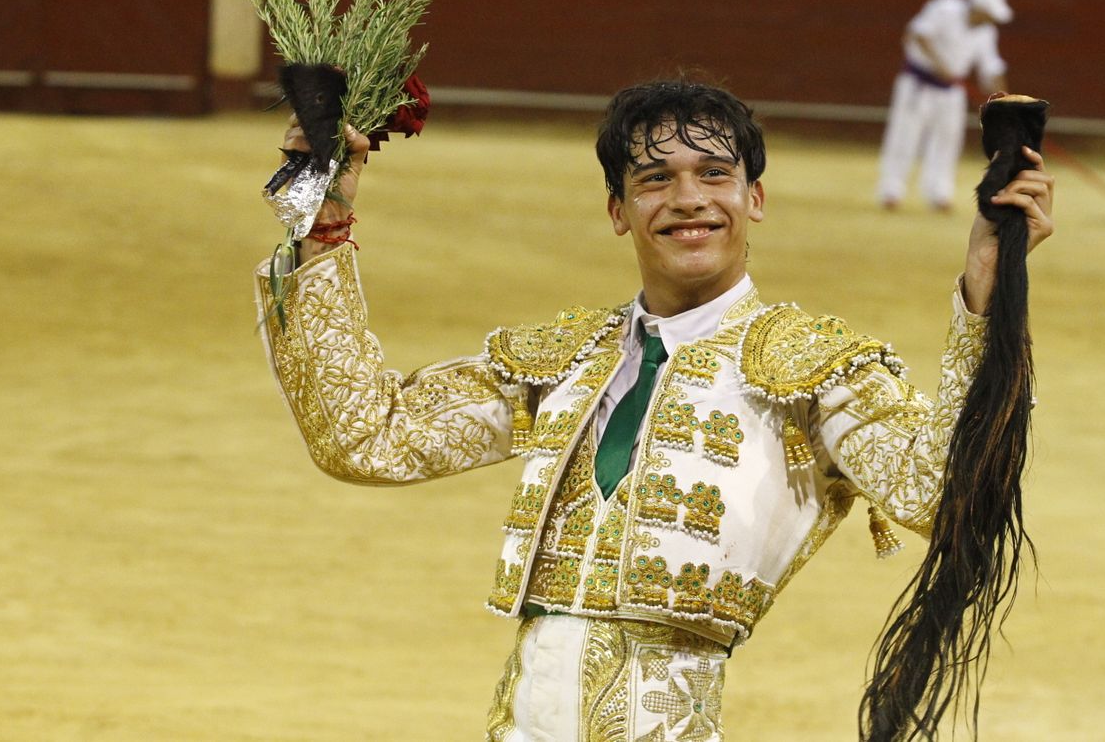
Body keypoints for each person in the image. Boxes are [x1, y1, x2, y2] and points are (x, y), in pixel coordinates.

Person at [256, 79, 1054, 737]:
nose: (688, 199)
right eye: (655, 179)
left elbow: (944, 494)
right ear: (618, 212)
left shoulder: (813, 369)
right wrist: (324, 228)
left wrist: (987, 295)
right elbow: (368, 438)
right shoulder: (562, 360)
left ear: (756, 197)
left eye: (714, 174)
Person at [877, 0, 1012, 211]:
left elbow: (991, 67)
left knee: (948, 140)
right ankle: (891, 190)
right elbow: (918, 35)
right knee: (905, 135)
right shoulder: (945, 8)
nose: (990, 20)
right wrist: (940, 66)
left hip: (951, 90)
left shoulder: (986, 31)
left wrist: (1003, 100)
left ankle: (939, 193)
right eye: (988, 15)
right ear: (978, 9)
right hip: (918, 84)